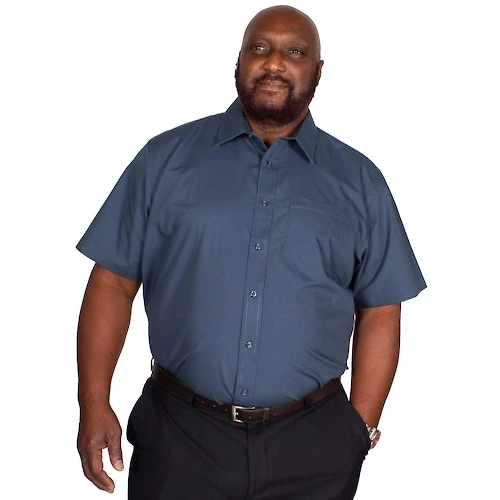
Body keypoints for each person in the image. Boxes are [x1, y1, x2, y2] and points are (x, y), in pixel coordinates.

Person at [76, 5, 426, 499]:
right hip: (179, 438)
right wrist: (93, 403)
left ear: (318, 71)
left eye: (295, 51)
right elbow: (112, 282)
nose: (275, 62)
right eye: (259, 47)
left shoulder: (360, 182)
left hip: (313, 447)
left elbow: (382, 307)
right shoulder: (163, 161)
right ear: (238, 62)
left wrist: (357, 431)